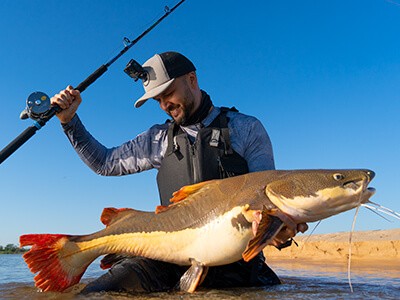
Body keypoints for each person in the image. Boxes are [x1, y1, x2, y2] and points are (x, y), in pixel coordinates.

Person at [51, 51, 308, 294]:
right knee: (95, 294)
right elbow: (104, 163)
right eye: (157, 100)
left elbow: (268, 199)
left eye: (168, 93)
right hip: (167, 261)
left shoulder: (246, 129)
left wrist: (277, 234)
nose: (164, 105)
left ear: (192, 80)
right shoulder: (157, 139)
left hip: (238, 265)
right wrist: (69, 122)